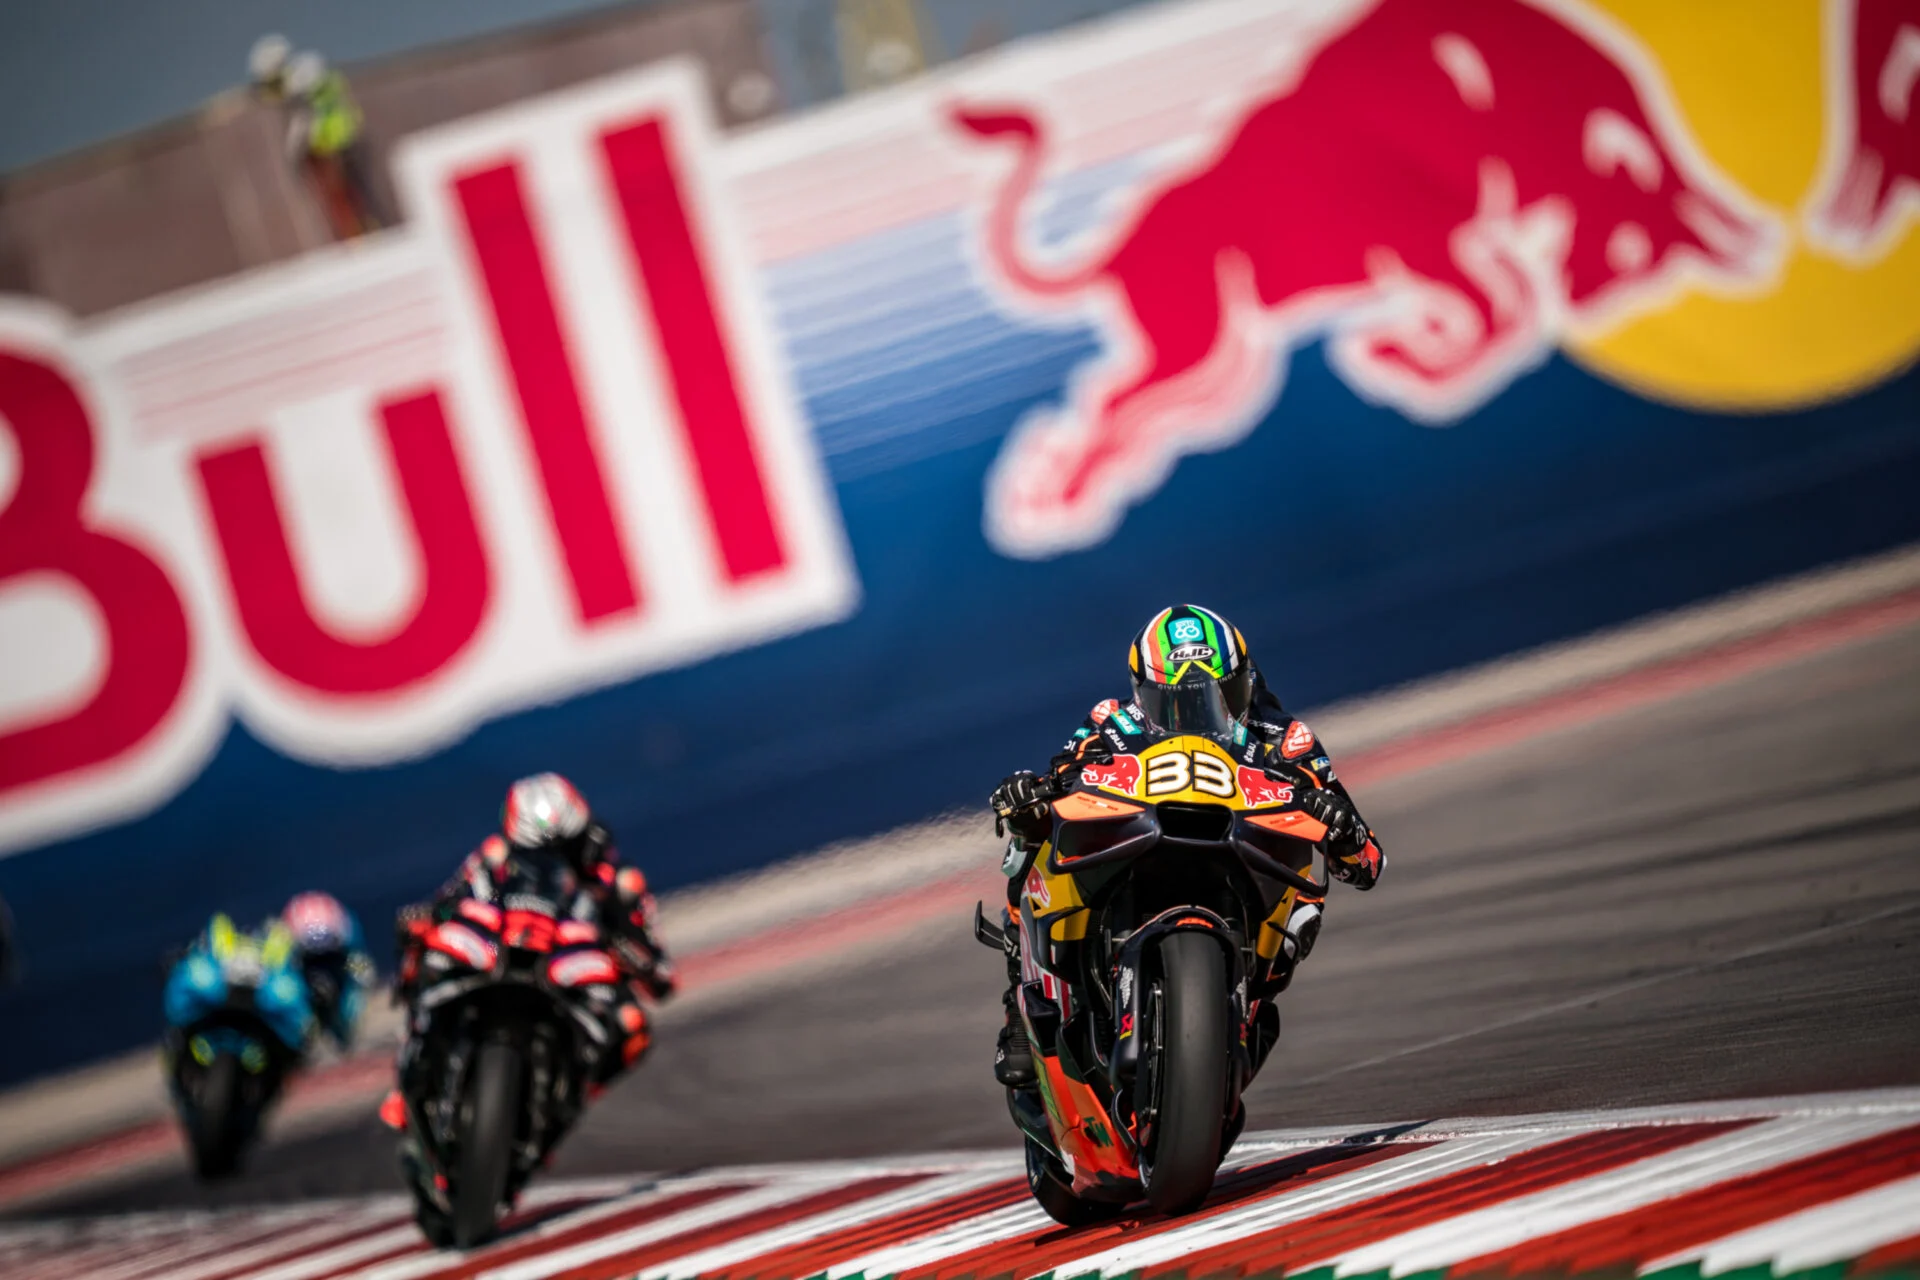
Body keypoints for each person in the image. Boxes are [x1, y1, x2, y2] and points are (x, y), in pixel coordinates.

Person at [985, 603, 1384, 1089]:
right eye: (1178, 700)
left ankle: (1239, 1007)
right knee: (1032, 836)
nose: (1204, 710)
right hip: (1141, 841)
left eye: (1221, 694)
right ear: (1144, 694)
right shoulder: (1112, 722)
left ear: (1246, 682)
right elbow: (1063, 776)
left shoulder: (1286, 739)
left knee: (1304, 904)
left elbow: (1368, 863)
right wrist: (1029, 796)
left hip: (1243, 864)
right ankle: (1018, 1006)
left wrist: (1342, 828)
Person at [394, 773, 676, 1081]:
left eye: (565, 852)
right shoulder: (495, 855)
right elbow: (448, 901)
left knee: (632, 1025)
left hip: (576, 968)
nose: (549, 866)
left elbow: (660, 974)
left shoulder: (618, 880)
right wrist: (427, 920)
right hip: (503, 949)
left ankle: (575, 1090)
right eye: (532, 856)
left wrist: (629, 953)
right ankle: (414, 1059)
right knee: (430, 949)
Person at [281, 892, 374, 1050]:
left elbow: (361, 965)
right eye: (314, 961)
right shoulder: (290, 979)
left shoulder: (349, 959)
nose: (322, 976)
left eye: (328, 958)